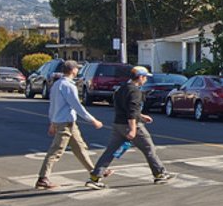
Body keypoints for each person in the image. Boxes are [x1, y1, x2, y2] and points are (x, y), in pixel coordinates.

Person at [91, 66, 172, 186]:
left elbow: (123, 107)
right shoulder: (135, 91)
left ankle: (95, 176)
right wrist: (133, 129)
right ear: (140, 77)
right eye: (145, 77)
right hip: (131, 125)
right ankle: (159, 174)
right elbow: (132, 111)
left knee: (110, 151)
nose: (145, 80)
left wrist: (141, 116)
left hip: (118, 124)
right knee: (149, 149)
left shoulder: (121, 88)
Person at [37, 61, 105, 190]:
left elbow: (52, 106)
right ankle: (43, 178)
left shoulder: (57, 84)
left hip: (65, 122)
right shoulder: (68, 86)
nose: (77, 70)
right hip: (65, 123)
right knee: (56, 151)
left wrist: (52, 122)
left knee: (80, 148)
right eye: (77, 69)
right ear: (73, 70)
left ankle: (95, 172)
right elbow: (77, 106)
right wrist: (93, 120)